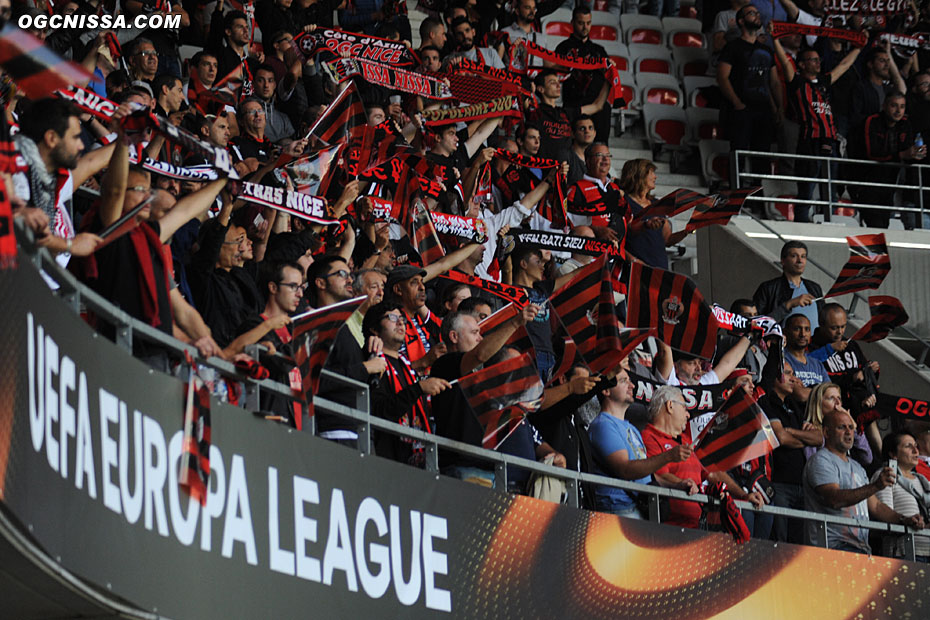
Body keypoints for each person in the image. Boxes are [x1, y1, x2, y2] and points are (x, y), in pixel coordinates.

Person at [431, 305, 543, 488]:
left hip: (491, 468)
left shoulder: (481, 373)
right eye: (474, 332)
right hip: (463, 466)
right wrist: (515, 322)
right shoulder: (444, 365)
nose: (480, 338)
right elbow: (481, 354)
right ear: (454, 337)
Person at [803, 410, 922, 553]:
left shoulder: (857, 467)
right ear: (827, 433)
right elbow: (834, 499)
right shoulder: (821, 460)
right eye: (841, 427)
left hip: (860, 548)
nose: (848, 432)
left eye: (851, 427)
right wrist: (876, 486)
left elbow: (877, 507)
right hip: (833, 546)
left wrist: (904, 520)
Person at [771, 34, 861, 222]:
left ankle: (828, 223)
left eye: (818, 59)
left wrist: (859, 47)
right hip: (809, 141)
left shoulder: (824, 82)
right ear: (802, 64)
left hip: (830, 141)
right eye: (812, 60)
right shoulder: (797, 83)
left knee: (830, 190)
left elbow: (843, 66)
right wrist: (776, 40)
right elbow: (785, 64)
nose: (817, 63)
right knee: (807, 189)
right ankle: (802, 224)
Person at [588, 369, 693, 518]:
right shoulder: (603, 425)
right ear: (605, 390)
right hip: (618, 513)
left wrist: (677, 485)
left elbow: (646, 476)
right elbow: (625, 470)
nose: (632, 385)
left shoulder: (632, 428)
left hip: (637, 512)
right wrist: (668, 456)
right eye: (624, 381)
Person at [362, 301, 449, 464]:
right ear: (374, 329)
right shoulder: (371, 361)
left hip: (414, 461)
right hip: (385, 460)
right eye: (392, 317)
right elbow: (379, 409)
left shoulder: (406, 366)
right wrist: (419, 388)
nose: (401, 322)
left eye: (402, 318)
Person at [717, 5, 780, 180]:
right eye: (752, 13)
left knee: (762, 156)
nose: (757, 16)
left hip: (764, 110)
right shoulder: (733, 47)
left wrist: (777, 107)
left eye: (758, 13)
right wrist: (737, 102)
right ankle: (735, 195)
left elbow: (773, 82)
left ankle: (758, 200)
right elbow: (722, 77)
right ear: (741, 21)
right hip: (741, 110)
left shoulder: (767, 50)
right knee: (739, 153)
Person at [764, 361, 822, 543]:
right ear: (774, 377)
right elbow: (780, 438)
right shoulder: (767, 401)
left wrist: (791, 432)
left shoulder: (794, 404)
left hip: (802, 485)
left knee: (800, 544)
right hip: (779, 484)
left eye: (793, 373)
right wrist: (803, 438)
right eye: (787, 373)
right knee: (780, 542)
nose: (793, 379)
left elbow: (819, 438)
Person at [856, 92, 926, 228]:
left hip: (890, 183)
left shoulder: (905, 123)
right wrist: (902, 155)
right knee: (876, 224)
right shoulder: (872, 121)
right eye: (894, 106)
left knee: (884, 224)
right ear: (884, 106)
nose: (898, 111)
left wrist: (916, 154)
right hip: (867, 181)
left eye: (902, 106)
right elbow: (872, 153)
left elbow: (908, 151)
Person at [526, 69, 609, 163]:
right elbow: (524, 102)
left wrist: (608, 81)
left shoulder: (566, 112)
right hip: (543, 167)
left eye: (558, 82)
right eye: (552, 82)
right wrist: (530, 92)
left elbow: (597, 106)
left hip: (566, 169)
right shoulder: (536, 111)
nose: (558, 85)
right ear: (541, 89)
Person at [620, 158, 690, 269]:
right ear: (640, 174)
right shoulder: (623, 202)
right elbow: (619, 238)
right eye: (652, 172)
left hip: (660, 267)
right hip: (636, 268)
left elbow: (667, 239)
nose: (655, 177)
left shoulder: (657, 203)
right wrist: (633, 260)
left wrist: (686, 231)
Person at [554, 7, 610, 142]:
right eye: (581, 23)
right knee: (571, 146)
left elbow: (609, 76)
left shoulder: (599, 51)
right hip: (573, 105)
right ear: (572, 22)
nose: (585, 27)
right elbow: (555, 74)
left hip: (597, 107)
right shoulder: (563, 48)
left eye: (588, 23)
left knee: (599, 145)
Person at [872, 431, 930, 562]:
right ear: (893, 454)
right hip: (903, 552)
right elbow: (883, 515)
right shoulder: (885, 476)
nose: (916, 450)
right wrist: (908, 521)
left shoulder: (923, 481)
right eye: (908, 446)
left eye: (916, 446)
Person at [752, 240, 823, 328]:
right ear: (783, 261)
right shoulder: (768, 288)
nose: (800, 260)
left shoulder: (814, 288)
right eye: (794, 256)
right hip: (782, 341)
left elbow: (824, 321)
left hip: (813, 341)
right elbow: (756, 323)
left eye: (803, 256)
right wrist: (788, 305)